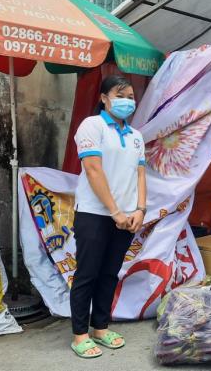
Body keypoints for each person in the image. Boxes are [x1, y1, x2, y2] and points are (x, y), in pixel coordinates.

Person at [69, 75, 147, 358]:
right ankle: (80, 335)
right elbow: (92, 169)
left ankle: (100, 328)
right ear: (103, 97)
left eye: (131, 96)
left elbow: (140, 173)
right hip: (95, 213)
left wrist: (140, 209)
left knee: (109, 274)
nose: (127, 101)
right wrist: (115, 211)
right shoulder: (93, 126)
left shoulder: (136, 136)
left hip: (127, 218)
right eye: (120, 94)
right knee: (87, 274)